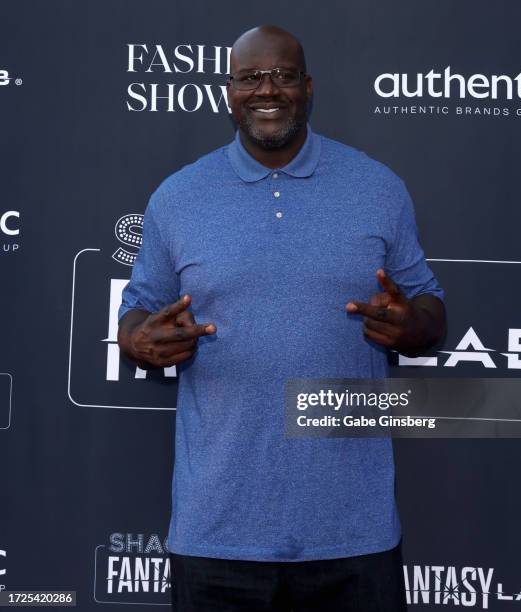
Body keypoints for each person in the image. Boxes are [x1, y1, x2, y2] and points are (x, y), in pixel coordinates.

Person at [118, 24, 445, 612]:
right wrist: (138, 338)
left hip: (353, 533)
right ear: (229, 92)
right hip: (217, 532)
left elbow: (429, 308)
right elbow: (137, 310)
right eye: (250, 77)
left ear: (307, 87)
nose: (266, 89)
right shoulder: (178, 196)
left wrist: (414, 325)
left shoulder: (377, 188)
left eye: (283, 75)